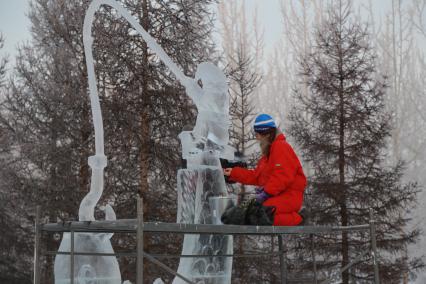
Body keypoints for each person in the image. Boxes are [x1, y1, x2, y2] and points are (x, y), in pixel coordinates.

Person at [223, 114, 307, 226]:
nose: (256, 137)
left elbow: (282, 176)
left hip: (289, 197)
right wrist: (233, 173)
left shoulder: (281, 147)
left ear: (266, 134)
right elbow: (257, 177)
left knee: (258, 214)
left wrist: (266, 193)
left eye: (257, 134)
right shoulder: (269, 153)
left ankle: (298, 220)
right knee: (247, 212)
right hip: (276, 196)